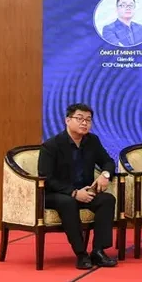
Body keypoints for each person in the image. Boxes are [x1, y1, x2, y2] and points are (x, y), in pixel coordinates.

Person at [37, 103, 118, 269]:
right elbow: (47, 178)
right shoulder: (51, 145)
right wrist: (73, 193)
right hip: (57, 194)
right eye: (79, 118)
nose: (84, 123)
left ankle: (98, 251)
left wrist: (105, 175)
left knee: (107, 199)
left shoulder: (92, 141)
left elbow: (108, 162)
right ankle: (81, 254)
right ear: (67, 120)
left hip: (85, 191)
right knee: (68, 202)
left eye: (88, 119)